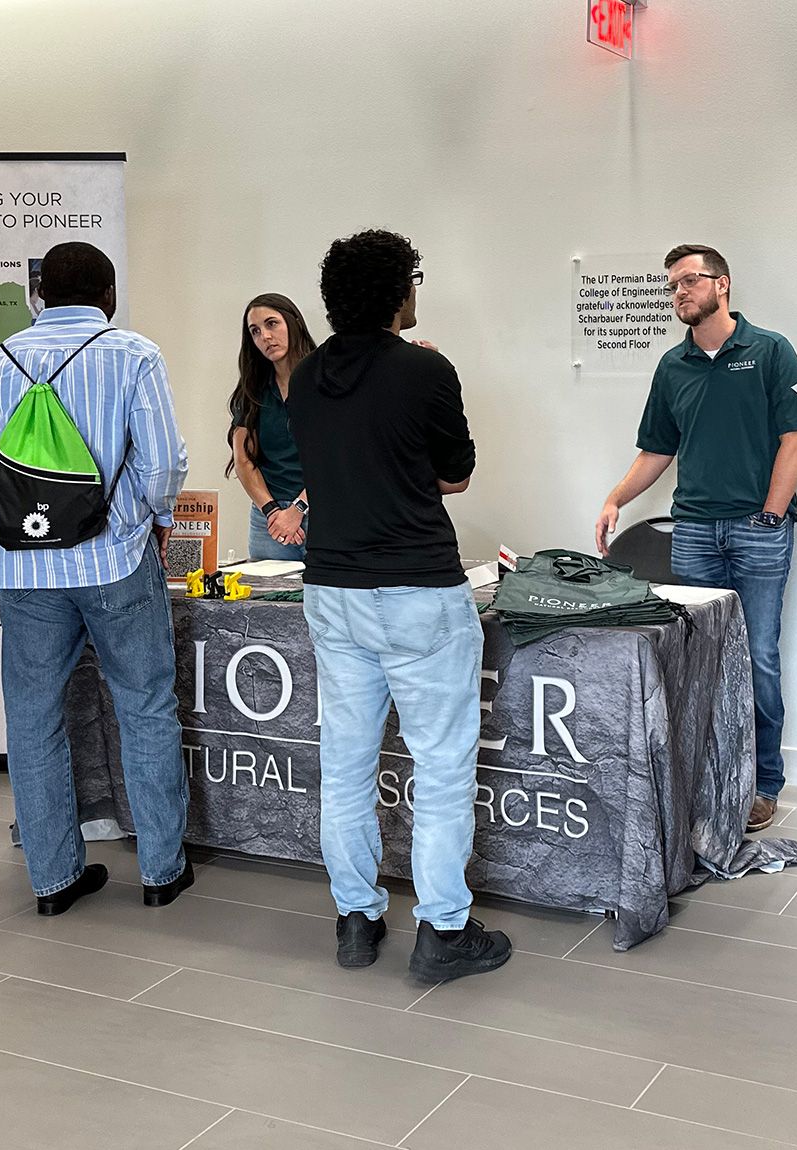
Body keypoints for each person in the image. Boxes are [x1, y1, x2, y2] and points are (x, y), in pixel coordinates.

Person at [289, 229, 510, 982]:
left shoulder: (305, 376)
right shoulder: (426, 369)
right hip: (418, 591)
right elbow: (456, 477)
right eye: (413, 278)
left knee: (345, 766)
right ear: (396, 292)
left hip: (332, 590)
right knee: (442, 767)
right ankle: (443, 931)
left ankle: (356, 920)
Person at [0, 242, 193, 917]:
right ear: (108, 294)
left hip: (22, 574)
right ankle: (162, 869)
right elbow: (165, 461)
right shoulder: (134, 354)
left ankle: (53, 881)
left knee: (32, 720)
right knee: (144, 705)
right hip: (115, 560)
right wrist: (158, 515)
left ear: (39, 296)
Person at [593, 244, 797, 831]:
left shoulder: (769, 351)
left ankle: (763, 783)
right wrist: (617, 497)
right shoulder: (673, 366)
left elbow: (796, 438)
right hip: (692, 530)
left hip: (758, 531)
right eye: (672, 286)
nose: (680, 293)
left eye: (690, 281)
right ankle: (705, 776)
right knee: (698, 659)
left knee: (758, 658)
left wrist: (769, 515)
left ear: (723, 285)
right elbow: (658, 449)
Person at [226, 293, 317, 561]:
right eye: (255, 331)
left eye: (271, 323)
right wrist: (273, 511)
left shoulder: (326, 380)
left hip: (325, 511)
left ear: (294, 322)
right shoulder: (252, 391)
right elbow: (243, 460)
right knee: (267, 600)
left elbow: (337, 456)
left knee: (325, 600)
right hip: (270, 519)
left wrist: (298, 508)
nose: (265, 336)